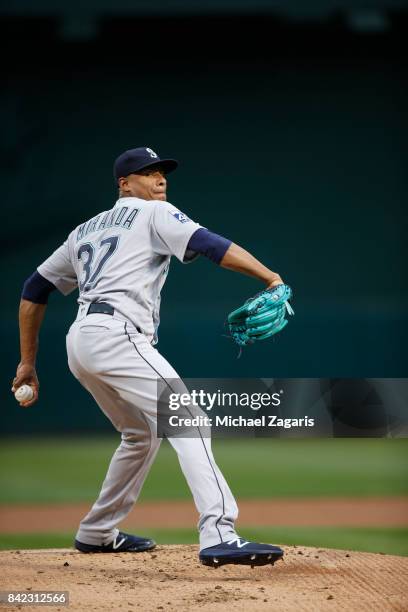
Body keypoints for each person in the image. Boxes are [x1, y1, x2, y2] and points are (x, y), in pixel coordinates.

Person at [12, 146, 286, 568]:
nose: (160, 179)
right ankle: (219, 533)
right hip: (117, 336)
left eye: (162, 172)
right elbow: (210, 245)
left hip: (81, 342)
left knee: (141, 435)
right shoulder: (154, 214)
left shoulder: (82, 231)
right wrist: (269, 276)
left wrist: (26, 361)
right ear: (124, 184)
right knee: (189, 419)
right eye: (147, 172)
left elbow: (33, 290)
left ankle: (96, 532)